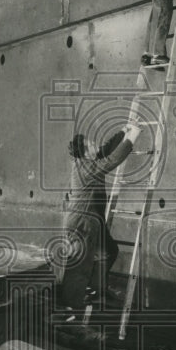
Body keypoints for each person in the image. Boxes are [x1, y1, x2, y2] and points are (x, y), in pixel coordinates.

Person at [57, 122, 142, 337]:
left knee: (109, 251)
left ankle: (92, 289)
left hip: (93, 222)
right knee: (77, 271)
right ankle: (69, 319)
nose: (95, 144)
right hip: (81, 224)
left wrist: (122, 131)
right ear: (85, 152)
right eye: (90, 143)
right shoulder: (85, 167)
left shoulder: (89, 160)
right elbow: (112, 159)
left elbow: (106, 149)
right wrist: (131, 138)